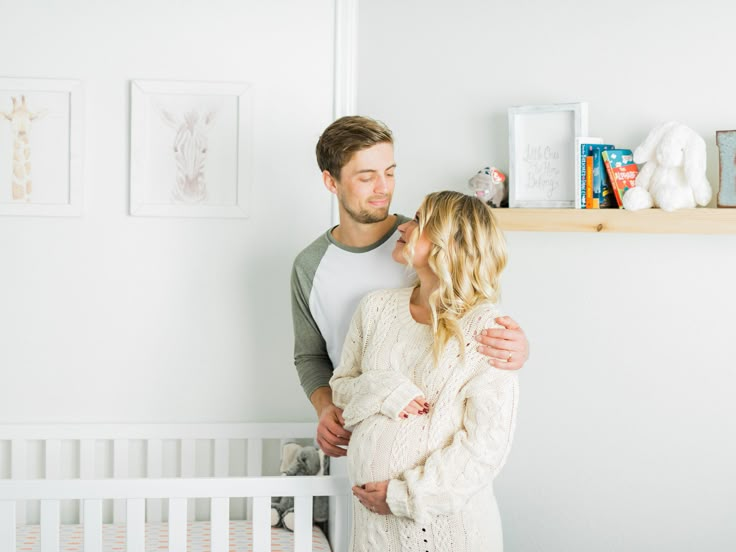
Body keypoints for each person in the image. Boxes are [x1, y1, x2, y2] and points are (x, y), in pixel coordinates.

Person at [291, 115, 528, 457]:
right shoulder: (310, 266)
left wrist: (515, 347)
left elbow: (474, 309)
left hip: (436, 447)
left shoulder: (425, 245)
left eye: (389, 172)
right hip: (361, 441)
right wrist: (326, 406)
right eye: (366, 177)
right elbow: (309, 355)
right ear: (331, 182)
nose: (383, 188)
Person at [330, 190, 517, 551]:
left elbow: (485, 448)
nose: (403, 225)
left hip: (448, 532)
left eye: (418, 220)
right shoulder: (376, 308)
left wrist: (404, 496)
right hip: (373, 533)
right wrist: (385, 390)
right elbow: (341, 387)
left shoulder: (488, 330)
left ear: (450, 242)